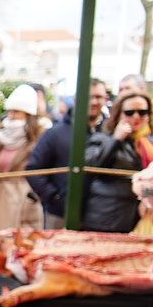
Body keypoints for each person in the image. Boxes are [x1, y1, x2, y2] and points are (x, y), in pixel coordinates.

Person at [28, 78, 110, 225]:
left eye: (98, 97)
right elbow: (34, 169)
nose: (93, 102)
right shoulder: (56, 133)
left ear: (106, 99)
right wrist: (55, 197)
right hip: (60, 215)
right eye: (88, 96)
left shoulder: (111, 133)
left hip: (102, 216)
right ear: (76, 99)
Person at [83, 90, 153, 233]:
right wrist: (116, 139)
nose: (136, 116)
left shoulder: (152, 146)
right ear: (118, 115)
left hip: (136, 220)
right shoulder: (102, 139)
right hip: (104, 219)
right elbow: (92, 167)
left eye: (142, 112)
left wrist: (147, 199)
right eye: (129, 112)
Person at [0, 84, 48, 232]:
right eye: (10, 111)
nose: (11, 115)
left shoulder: (39, 138)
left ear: (28, 114)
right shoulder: (0, 136)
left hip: (24, 200)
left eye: (16, 111)